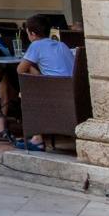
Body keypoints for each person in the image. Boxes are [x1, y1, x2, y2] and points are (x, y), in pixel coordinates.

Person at [14, 14, 77, 151]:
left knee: (26, 94)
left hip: (54, 92)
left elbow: (20, 70)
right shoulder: (62, 44)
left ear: (32, 34)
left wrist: (30, 64)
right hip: (72, 90)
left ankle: (37, 138)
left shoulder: (36, 45)